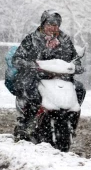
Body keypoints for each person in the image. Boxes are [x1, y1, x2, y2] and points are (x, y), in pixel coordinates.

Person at [12, 9, 86, 139]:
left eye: (56, 24)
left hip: (62, 79)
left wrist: (77, 66)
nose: (53, 27)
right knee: (29, 90)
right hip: (36, 77)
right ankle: (25, 122)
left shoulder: (65, 40)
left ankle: (71, 122)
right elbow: (17, 58)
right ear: (43, 24)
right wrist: (30, 65)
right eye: (50, 24)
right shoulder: (31, 39)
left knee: (80, 89)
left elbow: (75, 59)